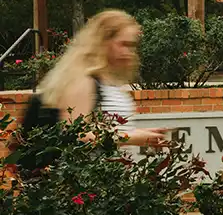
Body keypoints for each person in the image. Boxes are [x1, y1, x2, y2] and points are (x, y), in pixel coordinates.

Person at [32, 9, 169, 148]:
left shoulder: (108, 82)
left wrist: (139, 135)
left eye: (132, 46)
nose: (129, 52)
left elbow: (106, 132)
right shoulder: (84, 82)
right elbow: (76, 135)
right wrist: (130, 137)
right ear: (103, 42)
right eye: (123, 44)